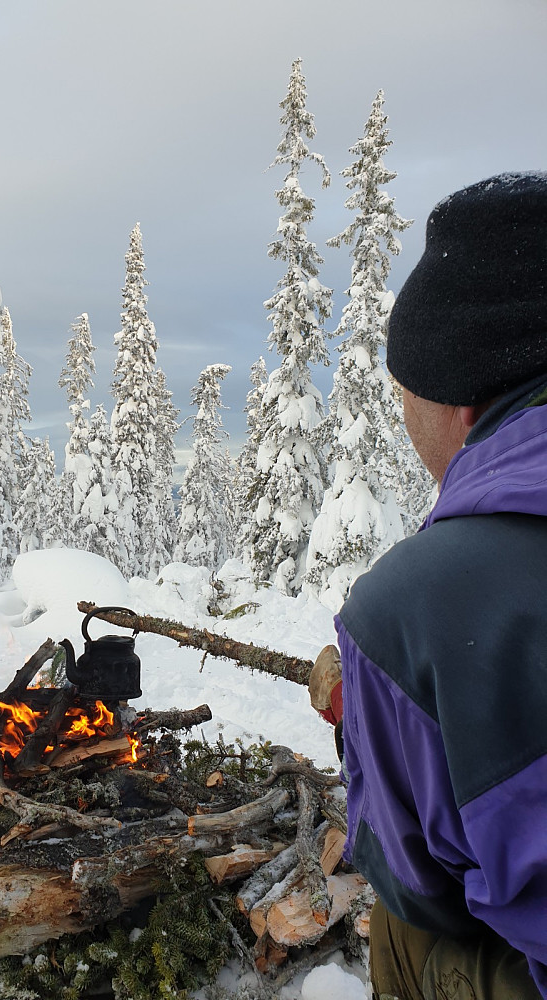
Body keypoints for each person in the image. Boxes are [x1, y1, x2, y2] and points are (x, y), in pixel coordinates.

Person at [308, 171, 547, 1000]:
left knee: (405, 930)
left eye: (406, 387)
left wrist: (374, 717)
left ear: (458, 398)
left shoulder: (410, 610)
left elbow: (415, 880)